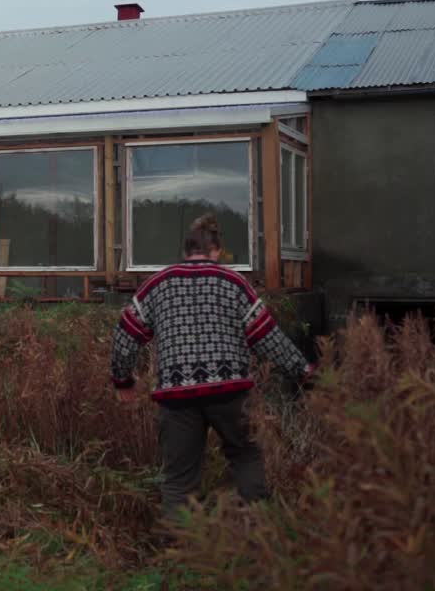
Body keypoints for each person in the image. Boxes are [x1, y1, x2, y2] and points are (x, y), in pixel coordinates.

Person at [110, 214, 313, 515]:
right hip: (230, 393)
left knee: (179, 478)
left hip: (177, 398)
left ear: (185, 252)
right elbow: (267, 337)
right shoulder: (233, 282)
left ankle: (179, 550)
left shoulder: (158, 284)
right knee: (245, 456)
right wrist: (302, 371)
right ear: (216, 251)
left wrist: (123, 380)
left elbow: (125, 334)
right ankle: (257, 534)